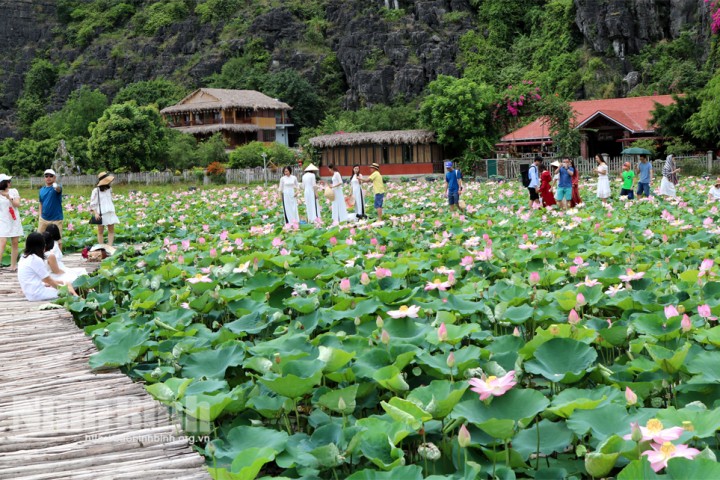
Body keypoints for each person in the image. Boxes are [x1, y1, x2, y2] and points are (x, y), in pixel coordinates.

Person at [17, 232, 76, 301]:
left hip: (30, 292)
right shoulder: (36, 259)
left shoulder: (23, 257)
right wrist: (62, 289)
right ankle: (77, 297)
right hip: (38, 294)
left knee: (66, 284)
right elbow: (48, 280)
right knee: (69, 289)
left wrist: (61, 283)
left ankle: (76, 296)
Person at [89, 172, 119, 246]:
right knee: (100, 231)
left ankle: (110, 246)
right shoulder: (96, 190)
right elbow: (93, 203)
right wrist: (95, 213)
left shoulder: (110, 189)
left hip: (110, 211)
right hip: (101, 212)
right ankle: (101, 246)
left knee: (111, 230)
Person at [0, 174, 22, 271]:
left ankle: (13, 266)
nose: (10, 183)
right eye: (8, 181)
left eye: (10, 181)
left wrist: (9, 197)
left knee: (15, 242)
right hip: (3, 220)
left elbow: (17, 204)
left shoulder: (14, 191)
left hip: (14, 219)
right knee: (2, 242)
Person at [38, 169, 63, 243]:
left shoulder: (57, 188)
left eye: (51, 176)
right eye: (46, 176)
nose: (48, 178)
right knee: (40, 239)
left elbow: (59, 189)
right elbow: (40, 203)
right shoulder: (42, 190)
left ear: (54, 178)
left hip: (56, 219)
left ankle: (59, 254)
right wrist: (40, 215)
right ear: (44, 178)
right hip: (44, 219)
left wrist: (56, 186)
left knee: (58, 241)